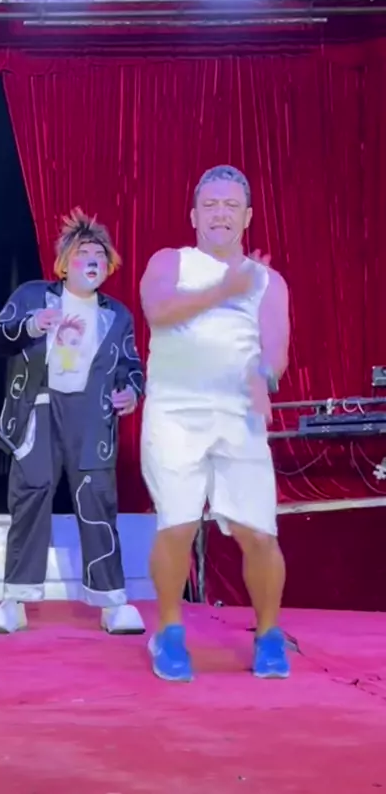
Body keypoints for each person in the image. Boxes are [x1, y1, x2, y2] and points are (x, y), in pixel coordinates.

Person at [140, 165, 290, 681]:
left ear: (246, 217)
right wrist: (223, 290)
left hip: (239, 415)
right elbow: (159, 311)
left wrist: (263, 377)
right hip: (175, 412)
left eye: (230, 206)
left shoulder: (267, 281)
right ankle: (169, 632)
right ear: (194, 215)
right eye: (210, 205)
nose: (219, 214)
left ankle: (269, 635)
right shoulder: (170, 261)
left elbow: (275, 347)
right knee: (178, 523)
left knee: (259, 533)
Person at [0, 208, 145, 636]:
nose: (92, 260)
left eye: (99, 255)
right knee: (30, 497)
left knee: (97, 501)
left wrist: (131, 393)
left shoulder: (117, 315)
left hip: (91, 415)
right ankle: (14, 601)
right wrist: (32, 325)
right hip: (40, 407)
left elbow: (131, 367)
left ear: (109, 266)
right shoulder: (33, 296)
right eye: (83, 252)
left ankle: (111, 602)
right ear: (65, 263)